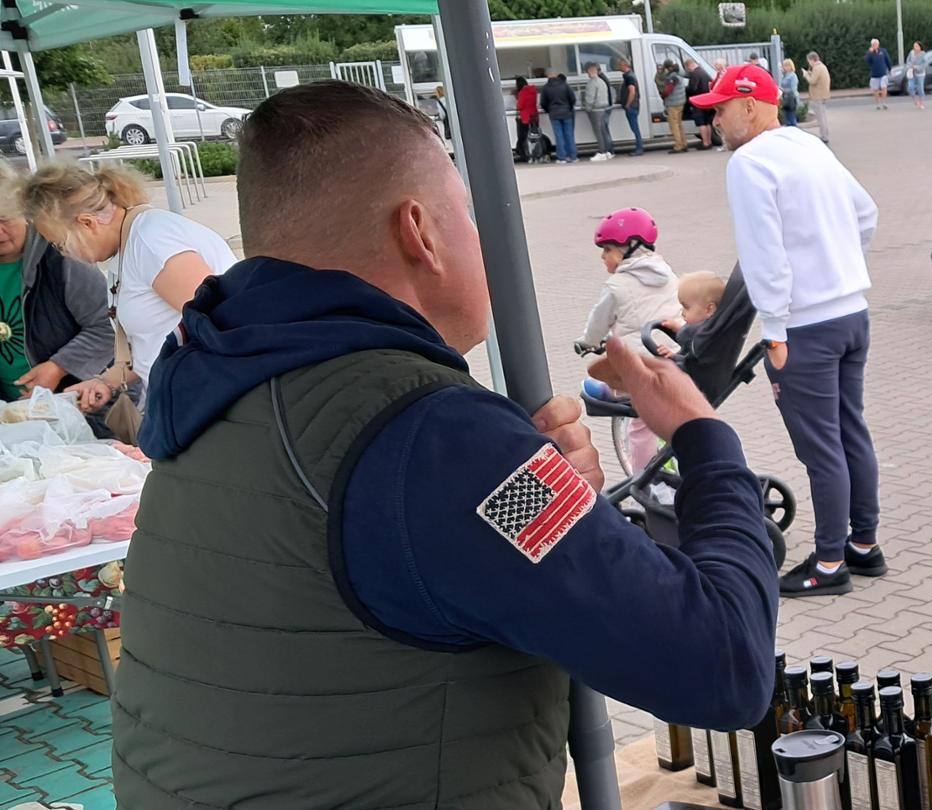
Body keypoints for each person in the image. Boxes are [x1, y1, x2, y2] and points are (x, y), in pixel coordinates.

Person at [110, 80, 778, 808]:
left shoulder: (218, 379)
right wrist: (705, 438)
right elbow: (726, 666)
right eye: (468, 216)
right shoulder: (434, 436)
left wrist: (547, 488)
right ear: (420, 232)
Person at [692, 64, 883, 598]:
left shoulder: (749, 163)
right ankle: (864, 546)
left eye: (721, 109)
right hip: (851, 313)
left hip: (804, 328)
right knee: (851, 431)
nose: (717, 119)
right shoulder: (810, 146)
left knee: (821, 447)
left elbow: (763, 257)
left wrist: (775, 329)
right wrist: (834, 267)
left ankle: (828, 564)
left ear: (750, 106)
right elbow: (865, 215)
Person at [23, 162, 236, 416]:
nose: (64, 253)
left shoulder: (151, 243)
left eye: (59, 244)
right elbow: (155, 338)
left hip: (204, 406)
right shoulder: (129, 244)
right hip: (183, 403)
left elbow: (223, 327)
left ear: (88, 223)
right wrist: (105, 381)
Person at [573, 207, 681, 464]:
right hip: (674, 359)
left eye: (608, 249)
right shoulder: (667, 274)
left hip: (641, 366)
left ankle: (647, 481)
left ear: (629, 248)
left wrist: (587, 343)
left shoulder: (617, 286)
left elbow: (599, 322)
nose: (603, 256)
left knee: (640, 426)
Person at [0, 170, 111, 404]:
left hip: (82, 405)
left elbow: (109, 326)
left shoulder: (64, 254)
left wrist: (58, 367)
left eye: (4, 219)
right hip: (11, 414)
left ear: (24, 212)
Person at [656, 270, 726, 358]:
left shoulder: (710, 339)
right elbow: (694, 339)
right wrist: (677, 328)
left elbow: (694, 362)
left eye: (687, 307)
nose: (682, 313)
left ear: (709, 309)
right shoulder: (708, 330)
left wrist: (673, 356)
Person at [541, 70, 579, 163]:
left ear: (547, 75)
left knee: (559, 136)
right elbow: (572, 99)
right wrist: (569, 108)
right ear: (556, 75)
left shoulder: (546, 88)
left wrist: (548, 110)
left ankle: (562, 157)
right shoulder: (565, 85)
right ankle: (573, 156)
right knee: (569, 134)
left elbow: (543, 103)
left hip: (554, 114)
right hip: (566, 112)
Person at [583, 62, 616, 162]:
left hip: (595, 110)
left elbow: (590, 99)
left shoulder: (591, 83)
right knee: (603, 131)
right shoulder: (602, 82)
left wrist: (587, 108)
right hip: (604, 109)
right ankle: (607, 152)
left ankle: (601, 152)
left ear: (589, 71)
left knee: (598, 132)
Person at [690, 60, 722, 150]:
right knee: (707, 122)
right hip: (706, 100)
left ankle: (705, 143)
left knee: (701, 123)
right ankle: (709, 142)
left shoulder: (694, 74)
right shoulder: (704, 72)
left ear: (689, 66)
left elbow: (692, 88)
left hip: (698, 100)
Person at [659, 60, 690, 153]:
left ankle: (678, 146)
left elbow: (667, 91)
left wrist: (662, 95)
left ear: (668, 68)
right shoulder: (679, 74)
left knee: (674, 126)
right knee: (679, 124)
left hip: (673, 104)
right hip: (680, 103)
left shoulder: (672, 77)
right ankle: (684, 144)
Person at [617, 58, 646, 155]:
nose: (618, 67)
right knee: (635, 128)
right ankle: (639, 147)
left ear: (624, 65)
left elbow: (632, 91)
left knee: (635, 128)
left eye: (619, 65)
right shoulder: (630, 76)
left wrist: (628, 104)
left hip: (632, 106)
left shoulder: (629, 77)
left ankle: (639, 148)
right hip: (634, 105)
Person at [804, 52, 833, 144]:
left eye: (809, 61)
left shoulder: (816, 68)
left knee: (821, 117)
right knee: (823, 115)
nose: (809, 63)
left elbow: (812, 81)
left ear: (812, 60)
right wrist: (810, 73)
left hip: (818, 95)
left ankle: (824, 136)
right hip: (823, 94)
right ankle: (825, 134)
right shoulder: (822, 66)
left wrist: (806, 75)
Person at [514, 75, 541, 161]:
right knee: (534, 137)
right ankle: (535, 153)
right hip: (534, 116)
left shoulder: (522, 92)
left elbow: (520, 106)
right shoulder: (533, 90)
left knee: (523, 137)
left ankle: (525, 155)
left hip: (525, 118)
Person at [865, 39, 892, 110]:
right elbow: (867, 60)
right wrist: (869, 52)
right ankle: (878, 104)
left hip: (883, 73)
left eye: (876, 44)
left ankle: (884, 102)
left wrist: (890, 69)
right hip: (874, 75)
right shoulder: (870, 53)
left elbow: (887, 60)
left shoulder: (883, 51)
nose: (875, 46)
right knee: (875, 89)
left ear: (878, 44)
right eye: (873, 44)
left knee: (884, 87)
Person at [779, 58, 802, 127]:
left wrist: (783, 89)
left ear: (790, 66)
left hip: (791, 98)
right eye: (783, 66)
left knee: (791, 117)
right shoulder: (785, 75)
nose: (784, 67)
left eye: (785, 66)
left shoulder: (793, 76)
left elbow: (793, 89)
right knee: (787, 118)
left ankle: (795, 133)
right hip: (786, 98)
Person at [907, 42, 929, 110]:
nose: (915, 48)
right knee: (910, 87)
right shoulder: (911, 53)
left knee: (920, 88)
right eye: (914, 46)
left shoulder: (923, 54)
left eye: (916, 46)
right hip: (912, 73)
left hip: (920, 74)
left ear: (920, 47)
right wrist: (910, 66)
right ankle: (915, 101)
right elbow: (908, 60)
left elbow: (925, 64)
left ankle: (921, 103)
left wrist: (917, 67)